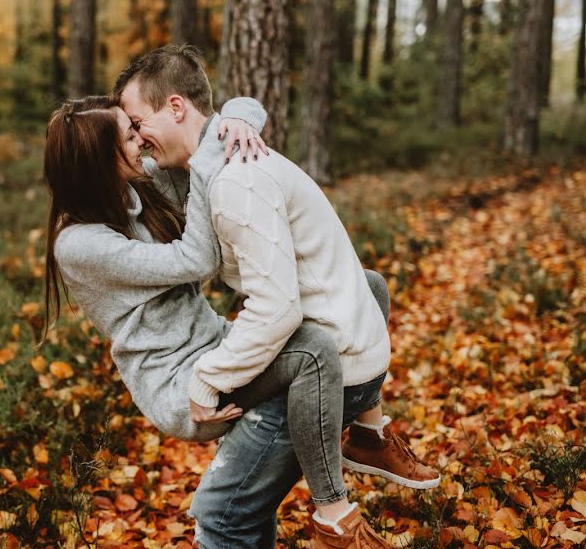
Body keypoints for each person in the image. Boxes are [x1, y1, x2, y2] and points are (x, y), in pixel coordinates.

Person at [41, 93, 427, 547]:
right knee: (313, 351)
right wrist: (207, 164)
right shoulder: (80, 245)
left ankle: (369, 433)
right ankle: (334, 514)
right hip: (179, 383)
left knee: (366, 286)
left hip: (212, 342)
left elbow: (235, 107)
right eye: (129, 135)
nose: (141, 140)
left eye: (136, 127)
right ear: (97, 159)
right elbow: (196, 260)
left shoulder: (133, 185)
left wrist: (237, 121)